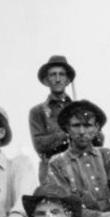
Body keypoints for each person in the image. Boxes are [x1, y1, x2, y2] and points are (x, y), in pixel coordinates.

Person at [28, 55, 75, 184]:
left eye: (62, 75)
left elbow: (99, 137)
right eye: (53, 75)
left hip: (79, 169)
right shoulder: (37, 112)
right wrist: (69, 135)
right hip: (51, 173)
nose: (58, 79)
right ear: (46, 80)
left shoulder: (79, 108)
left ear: (68, 80)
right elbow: (39, 144)